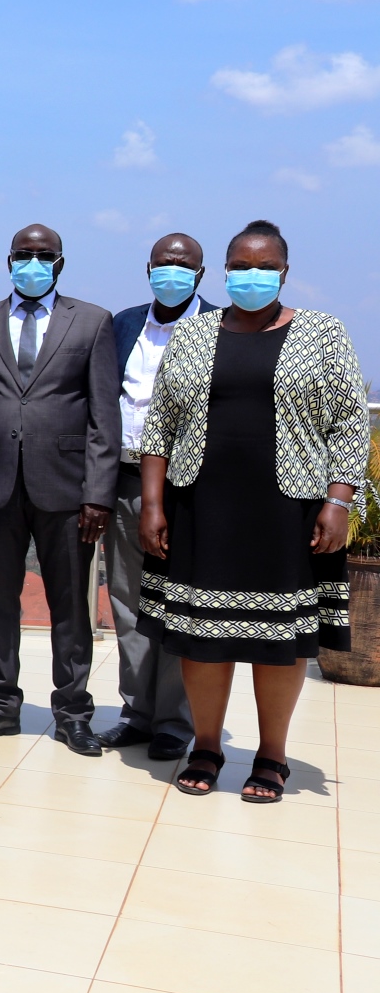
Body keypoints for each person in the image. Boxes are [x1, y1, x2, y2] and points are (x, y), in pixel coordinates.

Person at [138, 219, 367, 804]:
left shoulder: (323, 334)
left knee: (279, 641)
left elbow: (348, 424)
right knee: (202, 638)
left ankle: (271, 756)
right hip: (201, 505)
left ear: (284, 273)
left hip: (286, 509)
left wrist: (338, 502)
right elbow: (159, 425)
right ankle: (208, 747)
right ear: (223, 271)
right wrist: (154, 505)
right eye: (241, 266)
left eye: (264, 268)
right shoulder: (193, 335)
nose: (251, 276)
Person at [0, 224, 119, 755]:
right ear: (8, 260)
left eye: (43, 255)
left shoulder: (92, 322)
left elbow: (102, 416)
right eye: (23, 254)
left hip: (67, 490)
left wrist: (99, 493)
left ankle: (72, 711)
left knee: (71, 603)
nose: (33, 262)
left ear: (60, 264)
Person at [100, 233, 211, 761]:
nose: (173, 270)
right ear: (148, 268)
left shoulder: (220, 326)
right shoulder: (121, 324)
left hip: (187, 487)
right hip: (123, 480)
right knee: (126, 599)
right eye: (164, 263)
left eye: (184, 264)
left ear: (201, 273)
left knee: (178, 602)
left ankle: (174, 720)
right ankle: (137, 712)